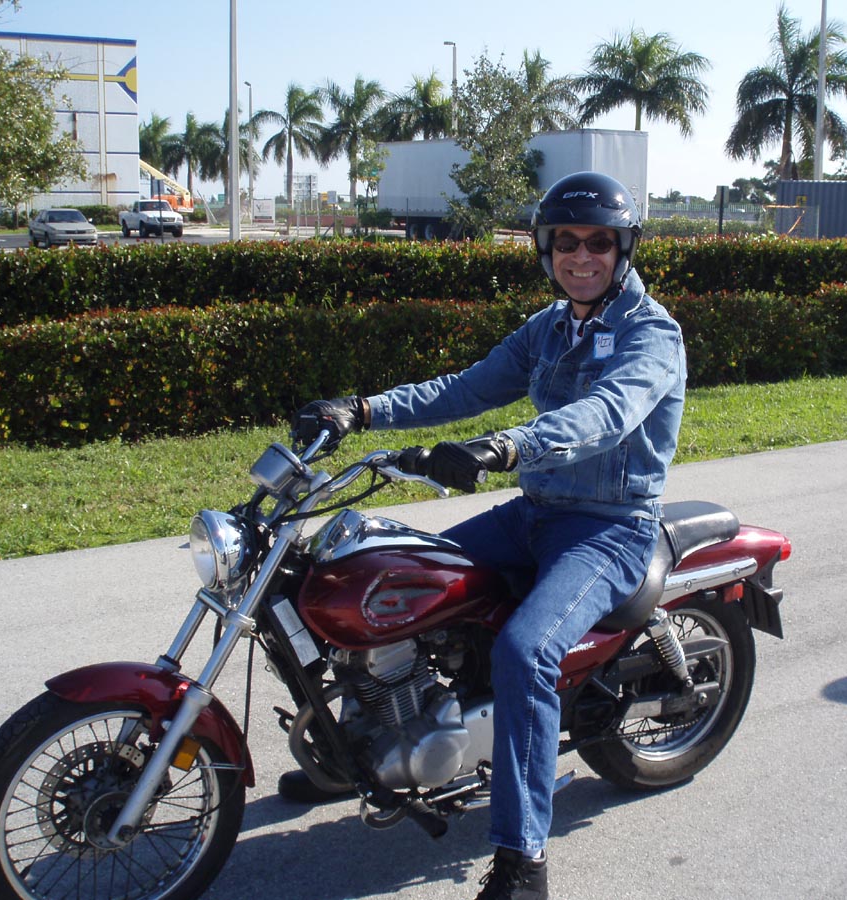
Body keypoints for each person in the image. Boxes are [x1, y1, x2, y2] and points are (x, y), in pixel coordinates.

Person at [288, 171, 686, 900]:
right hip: (534, 514)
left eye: (599, 242)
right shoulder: (550, 327)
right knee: (379, 582)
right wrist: (362, 410)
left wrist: (504, 447)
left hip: (609, 530)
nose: (582, 255)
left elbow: (606, 414)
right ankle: (354, 754)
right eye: (567, 241)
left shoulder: (652, 334)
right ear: (546, 248)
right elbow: (465, 388)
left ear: (624, 248)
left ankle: (523, 862)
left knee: (524, 652)